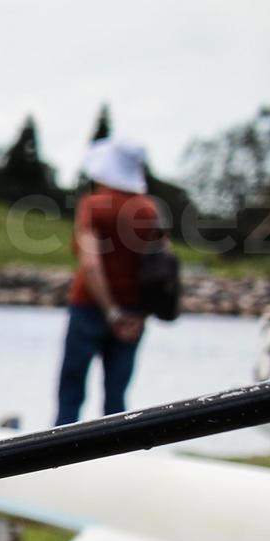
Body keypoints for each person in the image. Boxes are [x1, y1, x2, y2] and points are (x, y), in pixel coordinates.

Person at [56, 136, 161, 425]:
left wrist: (111, 312)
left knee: (71, 392)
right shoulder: (149, 209)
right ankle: (115, 461)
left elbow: (91, 264)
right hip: (134, 315)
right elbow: (162, 269)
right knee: (116, 399)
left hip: (89, 308)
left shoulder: (95, 205)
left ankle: (58, 458)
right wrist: (139, 316)